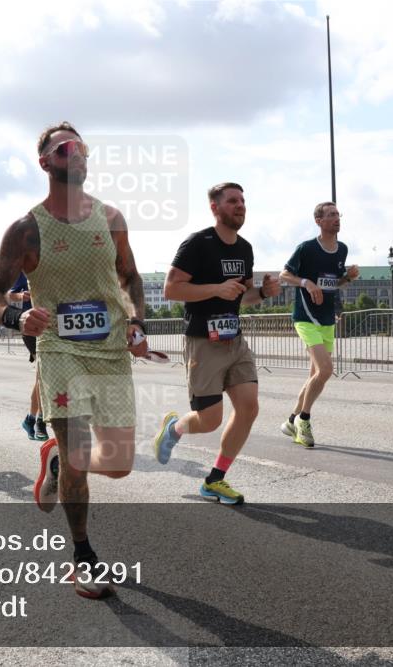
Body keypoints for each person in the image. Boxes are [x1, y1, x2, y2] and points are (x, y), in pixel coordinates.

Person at [0, 121, 148, 599]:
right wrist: (16, 316)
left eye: (81, 147)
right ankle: (83, 556)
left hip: (110, 350)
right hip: (59, 349)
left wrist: (137, 323)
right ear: (45, 162)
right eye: (64, 148)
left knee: (118, 464)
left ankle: (56, 461)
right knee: (79, 453)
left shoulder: (110, 218)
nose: (76, 153)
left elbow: (131, 278)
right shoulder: (27, 229)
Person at [152, 183, 281, 505]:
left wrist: (263, 293)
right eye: (232, 201)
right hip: (203, 341)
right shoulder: (198, 243)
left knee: (249, 407)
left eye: (243, 200)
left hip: (234, 340)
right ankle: (174, 428)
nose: (240, 205)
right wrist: (215, 289)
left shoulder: (245, 248)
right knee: (209, 420)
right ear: (215, 207)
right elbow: (171, 289)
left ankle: (215, 480)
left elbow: (243, 296)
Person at [278, 201, 359, 446]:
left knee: (316, 375)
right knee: (325, 370)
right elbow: (284, 275)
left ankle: (291, 421)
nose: (337, 218)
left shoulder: (342, 249)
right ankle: (304, 420)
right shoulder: (307, 248)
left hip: (326, 319)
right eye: (331, 215)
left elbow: (334, 284)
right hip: (306, 317)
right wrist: (306, 283)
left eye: (338, 214)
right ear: (319, 221)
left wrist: (348, 278)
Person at [7, 272, 48, 441]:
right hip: (31, 328)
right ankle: (40, 421)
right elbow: (8, 295)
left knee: (42, 376)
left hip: (52, 326)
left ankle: (31, 419)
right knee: (45, 373)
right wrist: (21, 295)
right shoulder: (24, 271)